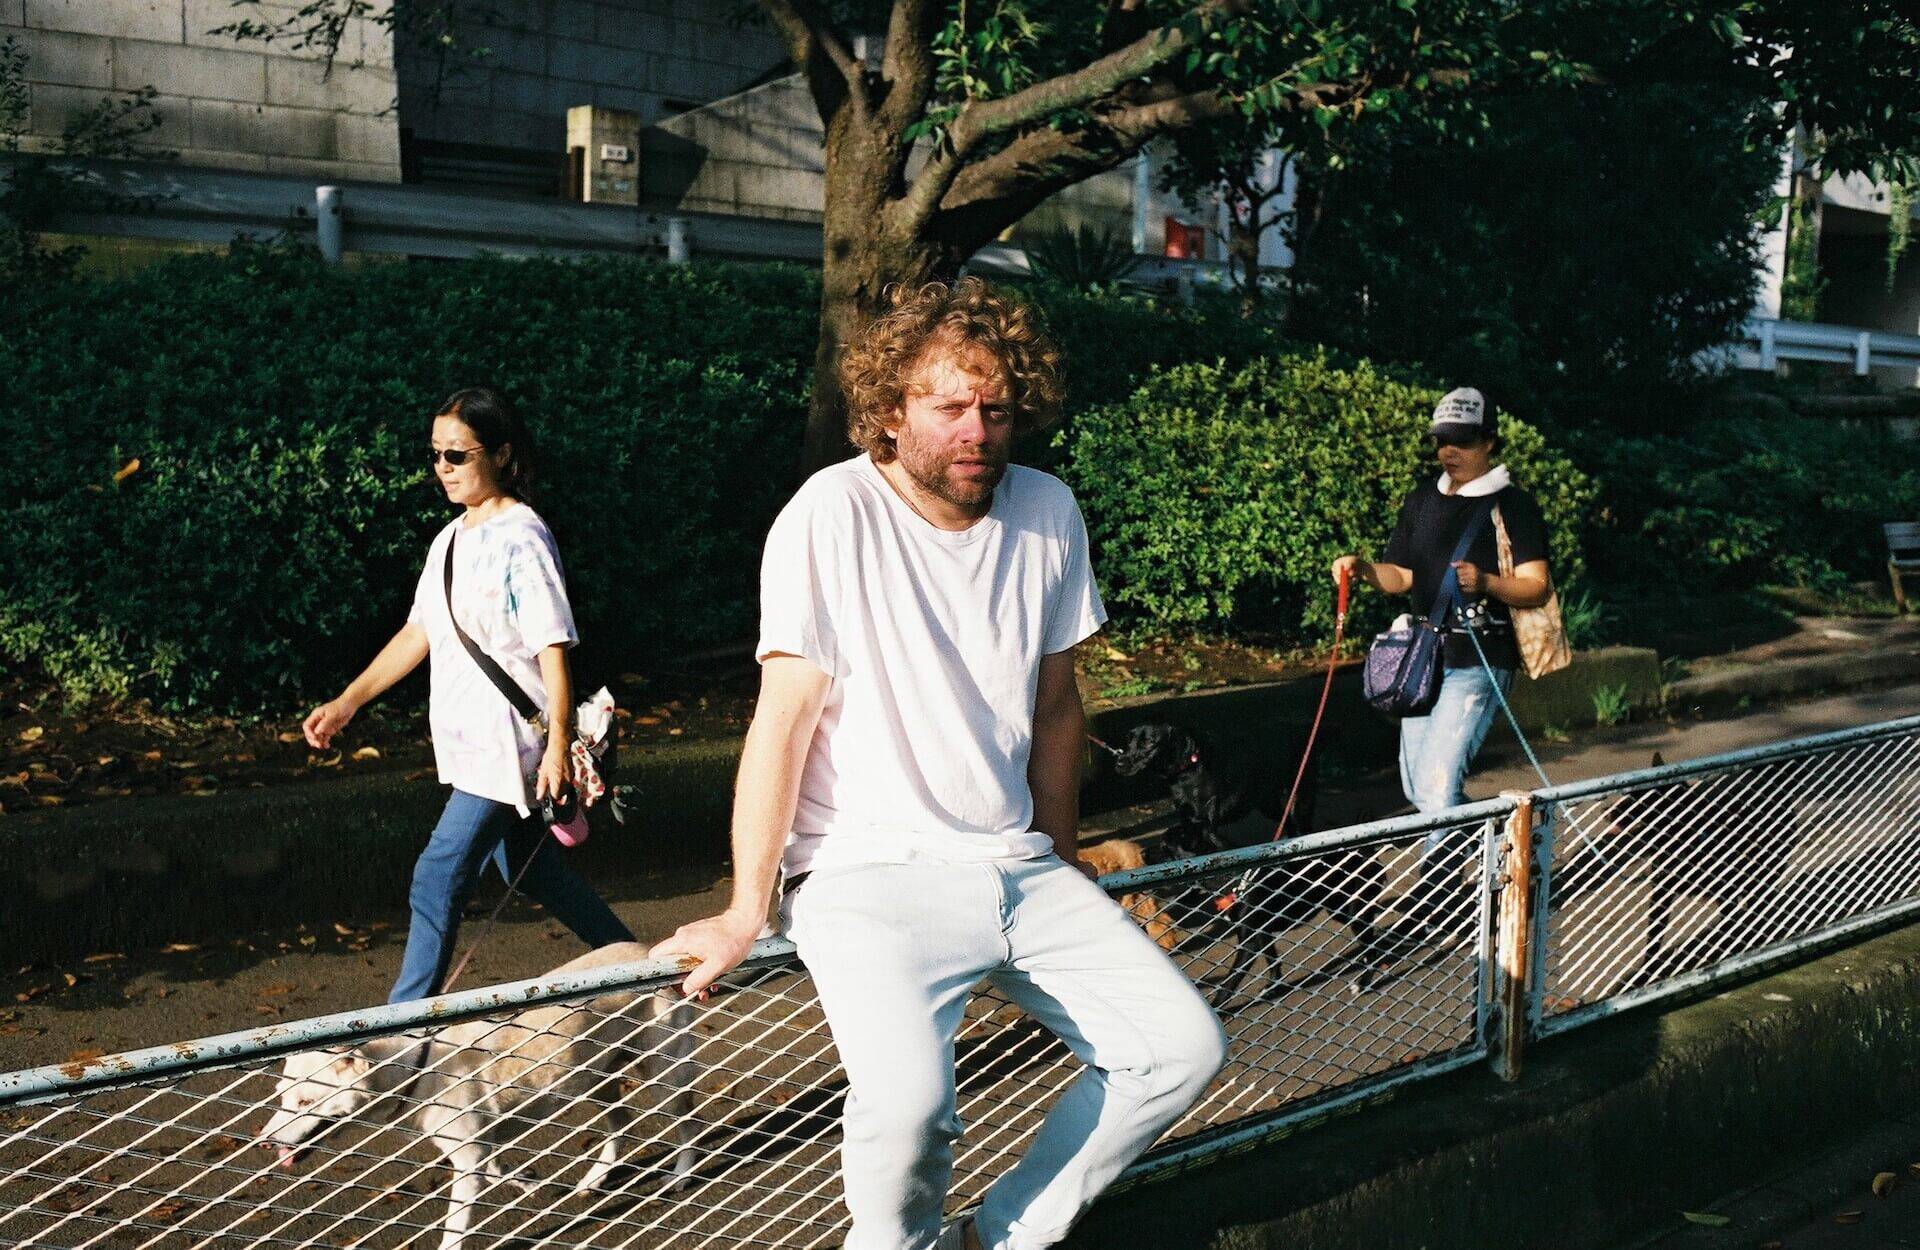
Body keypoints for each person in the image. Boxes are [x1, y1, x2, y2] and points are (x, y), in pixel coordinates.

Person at [651, 279, 1226, 1250]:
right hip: (864, 871)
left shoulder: (1048, 510)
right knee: (910, 1107)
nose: (978, 431)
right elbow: (784, 718)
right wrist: (748, 906)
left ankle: (998, 1237)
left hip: (1017, 861)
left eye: (997, 409)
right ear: (889, 409)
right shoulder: (830, 513)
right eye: (951, 406)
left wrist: (1062, 854)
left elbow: (1055, 705)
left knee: (1179, 1049)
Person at [302, 387, 634, 1003]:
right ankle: (641, 968)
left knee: (436, 876)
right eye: (435, 454)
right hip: (469, 745)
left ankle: (402, 1032)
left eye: (457, 454)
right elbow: (419, 632)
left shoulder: (522, 536)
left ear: (501, 454)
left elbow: (553, 647)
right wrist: (348, 701)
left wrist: (558, 747)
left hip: (506, 747)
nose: (443, 468)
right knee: (532, 871)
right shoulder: (450, 539)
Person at [1333, 386, 1554, 834]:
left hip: (1481, 658)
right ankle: (1505, 843)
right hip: (1423, 659)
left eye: (1463, 440)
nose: (1450, 451)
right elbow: (1403, 575)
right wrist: (1363, 570)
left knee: (1437, 789)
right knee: (1418, 788)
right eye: (1442, 440)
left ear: (1489, 441)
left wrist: (1487, 582)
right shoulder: (1421, 500)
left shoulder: (1513, 505)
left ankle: (1443, 878)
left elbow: (1536, 587)